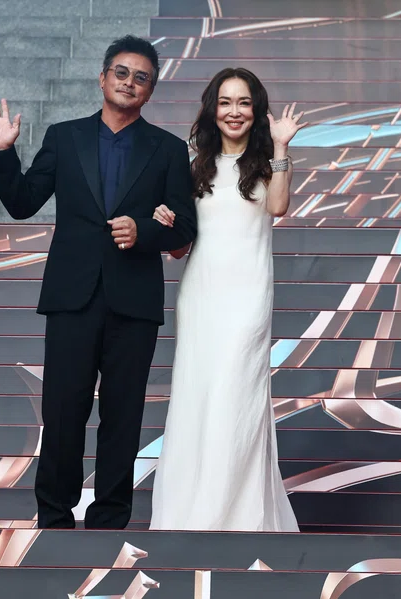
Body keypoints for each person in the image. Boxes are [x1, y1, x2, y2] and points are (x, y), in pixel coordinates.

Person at [0, 35, 197, 529]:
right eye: (121, 72)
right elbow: (22, 202)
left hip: (133, 304)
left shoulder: (167, 149)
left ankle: (110, 518)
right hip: (72, 298)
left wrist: (144, 233)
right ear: (102, 78)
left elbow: (184, 227)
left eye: (141, 77)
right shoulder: (65, 136)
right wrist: (2, 153)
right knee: (62, 413)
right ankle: (53, 516)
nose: (129, 82)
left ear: (151, 90)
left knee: (123, 419)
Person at [148, 68, 307, 531]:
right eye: (225, 102)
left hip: (248, 296)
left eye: (243, 102)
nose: (234, 111)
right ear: (212, 110)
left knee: (236, 396)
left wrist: (280, 147)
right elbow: (180, 248)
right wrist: (165, 222)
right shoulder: (194, 165)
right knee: (200, 398)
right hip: (201, 295)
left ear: (255, 109)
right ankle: (190, 516)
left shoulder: (269, 163)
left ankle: (235, 519)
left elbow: (278, 208)